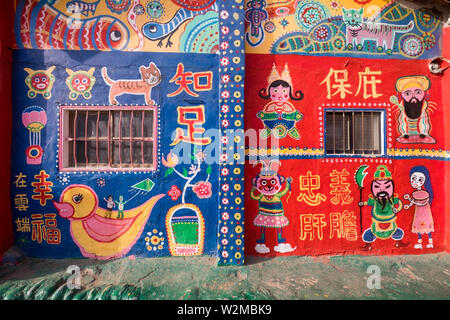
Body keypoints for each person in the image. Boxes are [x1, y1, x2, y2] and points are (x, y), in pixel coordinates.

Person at [404, 166, 435, 249]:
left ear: (425, 181)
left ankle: (430, 242)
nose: (415, 182)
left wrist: (413, 202)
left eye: (420, 180)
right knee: (418, 226)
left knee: (427, 227)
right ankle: (420, 243)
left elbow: (423, 203)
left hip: (425, 212)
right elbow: (413, 201)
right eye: (413, 178)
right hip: (418, 212)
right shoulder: (415, 193)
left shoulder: (425, 193)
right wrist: (408, 205)